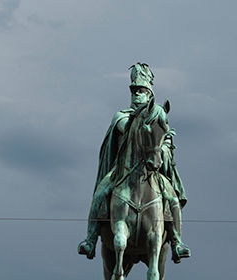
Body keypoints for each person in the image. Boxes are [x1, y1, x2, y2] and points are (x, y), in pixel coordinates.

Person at [77, 64, 190, 263]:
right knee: (101, 192)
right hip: (123, 171)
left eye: (142, 91)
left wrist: (164, 146)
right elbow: (124, 129)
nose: (137, 94)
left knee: (171, 199)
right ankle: (91, 239)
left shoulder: (157, 117)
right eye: (134, 91)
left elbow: (165, 137)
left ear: (149, 95)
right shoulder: (122, 115)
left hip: (151, 170)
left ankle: (177, 242)